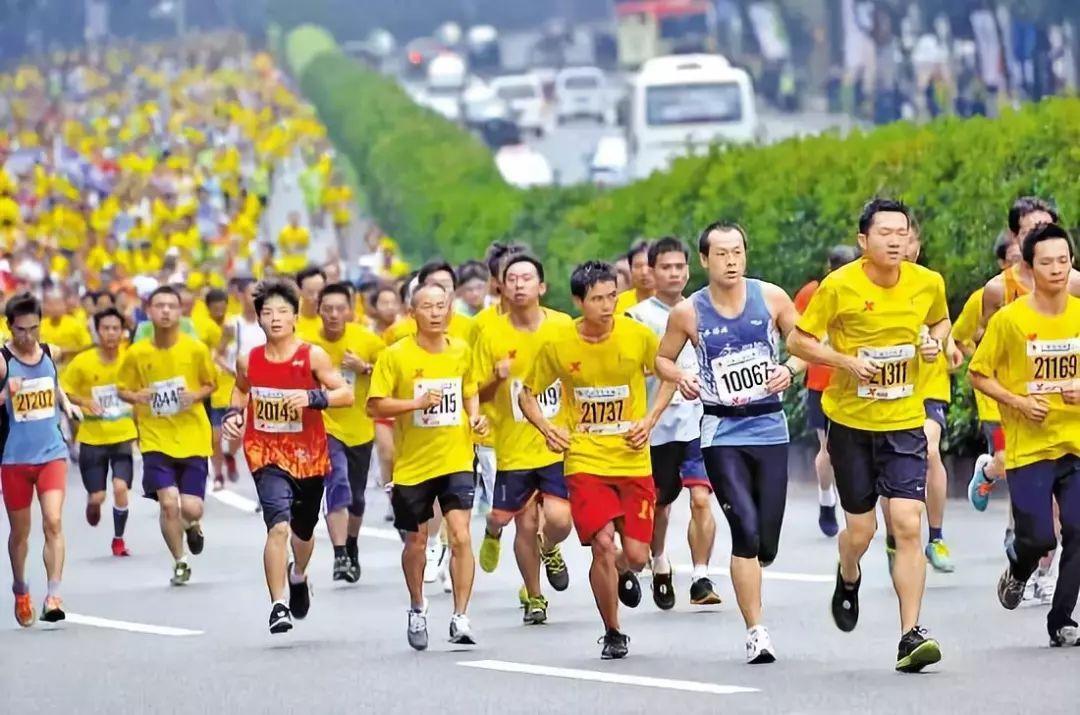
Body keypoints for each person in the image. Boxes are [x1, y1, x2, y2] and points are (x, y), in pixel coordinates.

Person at [788, 199, 950, 672]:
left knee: (907, 523)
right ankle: (848, 570)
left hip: (903, 421)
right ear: (864, 241)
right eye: (884, 232)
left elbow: (939, 321)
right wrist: (844, 361)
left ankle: (910, 635)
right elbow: (799, 339)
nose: (895, 240)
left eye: (902, 232)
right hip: (852, 426)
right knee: (861, 530)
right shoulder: (839, 287)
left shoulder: (928, 283)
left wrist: (933, 340)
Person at [655, 224, 804, 664]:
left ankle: (759, 559)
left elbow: (808, 344)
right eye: (721, 254)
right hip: (721, 432)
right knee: (746, 533)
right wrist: (681, 375)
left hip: (770, 426)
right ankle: (756, 631)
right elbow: (661, 358)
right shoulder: (688, 312)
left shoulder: (772, 298)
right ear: (705, 260)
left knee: (767, 541)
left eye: (737, 251)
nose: (731, 260)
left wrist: (790, 369)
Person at [520, 260, 672, 660]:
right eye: (597, 299)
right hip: (585, 460)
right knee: (602, 544)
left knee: (637, 555)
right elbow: (527, 394)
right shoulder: (558, 343)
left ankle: (623, 571)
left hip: (633, 459)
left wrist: (650, 419)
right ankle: (613, 631)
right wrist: (547, 429)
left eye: (611, 297)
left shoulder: (638, 335)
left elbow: (668, 373)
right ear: (577, 301)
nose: (606, 306)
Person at [969, 223, 1080, 647]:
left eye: (1064, 261)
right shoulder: (1010, 321)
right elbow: (980, 373)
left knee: (1078, 529)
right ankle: (1019, 569)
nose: (1056, 269)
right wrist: (1017, 402)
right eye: (1047, 262)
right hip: (1030, 447)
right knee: (1038, 537)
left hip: (1076, 443)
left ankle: (1062, 619)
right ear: (1029, 269)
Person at [221, 279, 353, 634]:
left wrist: (314, 399)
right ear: (259, 320)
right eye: (267, 313)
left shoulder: (312, 356)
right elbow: (240, 389)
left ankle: (298, 575)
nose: (275, 318)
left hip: (308, 456)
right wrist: (233, 416)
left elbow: (345, 393)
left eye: (282, 312)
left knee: (303, 531)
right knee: (277, 526)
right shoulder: (249, 360)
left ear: (295, 317)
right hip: (265, 453)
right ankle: (278, 605)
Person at [367, 283, 488, 651]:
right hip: (414, 465)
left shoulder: (462, 351)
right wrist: (414, 404)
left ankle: (460, 616)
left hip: (456, 457)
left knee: (462, 535)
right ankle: (418, 605)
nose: (435, 312)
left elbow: (470, 390)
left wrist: (476, 417)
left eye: (441, 306)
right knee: (417, 542)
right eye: (427, 307)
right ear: (412, 312)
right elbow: (375, 406)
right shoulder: (395, 356)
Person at [474, 253, 574, 624]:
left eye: (527, 278)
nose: (519, 284)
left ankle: (549, 548)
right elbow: (476, 393)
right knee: (524, 524)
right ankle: (534, 596)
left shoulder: (563, 326)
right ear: (501, 285)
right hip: (513, 446)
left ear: (542, 286)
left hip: (557, 442)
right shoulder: (490, 332)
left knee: (560, 520)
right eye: (511, 278)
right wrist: (497, 379)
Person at [626, 237, 722, 609]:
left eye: (680, 267)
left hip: (700, 423)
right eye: (666, 267)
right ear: (651, 272)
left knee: (701, 498)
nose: (674, 273)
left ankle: (701, 576)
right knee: (661, 505)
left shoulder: (705, 308)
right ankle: (660, 560)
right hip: (656, 427)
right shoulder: (637, 319)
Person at [118, 286, 216, 586]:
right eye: (159, 305)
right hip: (155, 436)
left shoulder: (195, 349)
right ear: (149, 311)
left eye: (171, 306)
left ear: (180, 311)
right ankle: (180, 561)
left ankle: (191, 525)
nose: (165, 311)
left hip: (192, 435)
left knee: (191, 507)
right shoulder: (137, 352)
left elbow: (211, 383)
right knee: (169, 503)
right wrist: (138, 395)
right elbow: (121, 388)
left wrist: (194, 395)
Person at [1, 293, 82, 626]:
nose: (28, 337)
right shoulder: (4, 361)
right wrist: (7, 393)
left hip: (51, 452)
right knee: (21, 532)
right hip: (14, 459)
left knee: (53, 521)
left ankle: (53, 595)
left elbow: (54, 382)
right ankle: (21, 589)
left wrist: (67, 405)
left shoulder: (49, 352)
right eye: (21, 330)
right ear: (9, 327)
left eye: (34, 328)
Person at [307, 282, 385, 582]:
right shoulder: (307, 344)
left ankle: (351, 545)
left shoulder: (367, 340)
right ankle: (340, 555)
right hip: (324, 426)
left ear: (351, 310)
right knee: (336, 482)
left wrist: (364, 367)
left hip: (360, 427)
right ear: (318, 311)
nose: (334, 315)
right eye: (328, 309)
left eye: (341, 309)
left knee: (357, 498)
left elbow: (392, 374)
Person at [60, 307, 138, 556]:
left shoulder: (130, 358)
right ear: (97, 331)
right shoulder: (83, 362)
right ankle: (92, 504)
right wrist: (83, 403)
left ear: (122, 331)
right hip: (92, 437)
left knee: (120, 488)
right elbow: (64, 390)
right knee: (97, 497)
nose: (111, 333)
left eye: (116, 328)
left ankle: (118, 539)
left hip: (122, 434)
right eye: (106, 328)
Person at [793, 245, 859, 537]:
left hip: (857, 380)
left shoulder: (864, 291)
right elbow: (797, 332)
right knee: (828, 449)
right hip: (822, 382)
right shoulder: (811, 294)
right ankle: (826, 499)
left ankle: (854, 507)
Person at [614, 240, 655, 314]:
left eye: (650, 265)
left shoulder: (672, 304)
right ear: (630, 269)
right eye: (638, 266)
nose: (644, 272)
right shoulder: (617, 305)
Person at [295, 266, 327, 340]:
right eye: (310, 292)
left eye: (320, 292)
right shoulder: (289, 319)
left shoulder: (331, 319)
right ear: (299, 291)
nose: (316, 297)